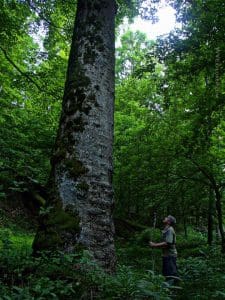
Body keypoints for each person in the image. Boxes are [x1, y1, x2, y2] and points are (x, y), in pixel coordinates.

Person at [149, 215, 179, 281]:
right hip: (166, 255)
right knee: (166, 273)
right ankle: (169, 288)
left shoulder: (170, 230)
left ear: (168, 222)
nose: (164, 218)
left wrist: (154, 245)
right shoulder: (166, 230)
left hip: (170, 255)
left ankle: (173, 289)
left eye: (166, 218)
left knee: (170, 273)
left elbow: (167, 243)